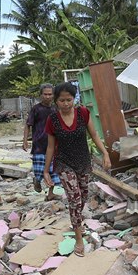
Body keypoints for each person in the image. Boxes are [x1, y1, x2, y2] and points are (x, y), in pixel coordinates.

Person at [43, 82, 111, 257]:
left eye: (69, 100)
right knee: (74, 198)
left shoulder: (83, 113)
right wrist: (45, 171)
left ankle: (77, 221)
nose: (66, 104)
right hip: (64, 163)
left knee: (83, 197)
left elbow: (94, 135)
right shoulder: (53, 120)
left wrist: (105, 154)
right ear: (56, 101)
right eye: (62, 100)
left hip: (83, 161)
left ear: (74, 99)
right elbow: (50, 147)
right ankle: (78, 237)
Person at [23, 83, 62, 201]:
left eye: (50, 94)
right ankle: (37, 181)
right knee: (39, 171)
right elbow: (28, 125)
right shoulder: (36, 109)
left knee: (53, 171)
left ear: (53, 95)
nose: (47, 96)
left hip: (54, 146)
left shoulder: (56, 109)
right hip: (39, 145)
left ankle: (51, 193)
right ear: (40, 95)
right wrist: (25, 140)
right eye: (45, 94)